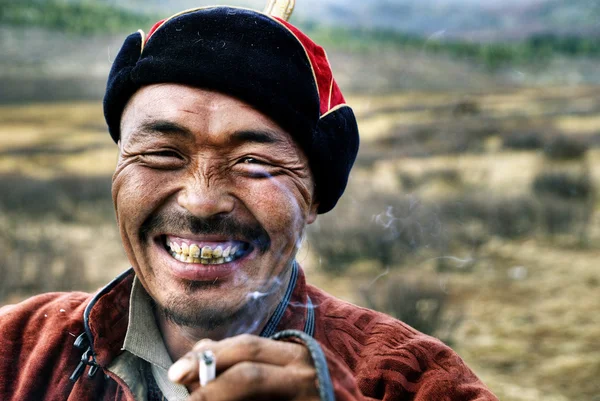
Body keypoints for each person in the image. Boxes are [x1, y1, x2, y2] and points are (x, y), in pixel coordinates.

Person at [0, 4, 498, 401]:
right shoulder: (20, 350)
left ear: (314, 197)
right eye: (161, 153)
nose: (201, 201)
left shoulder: (411, 383)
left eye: (254, 162)